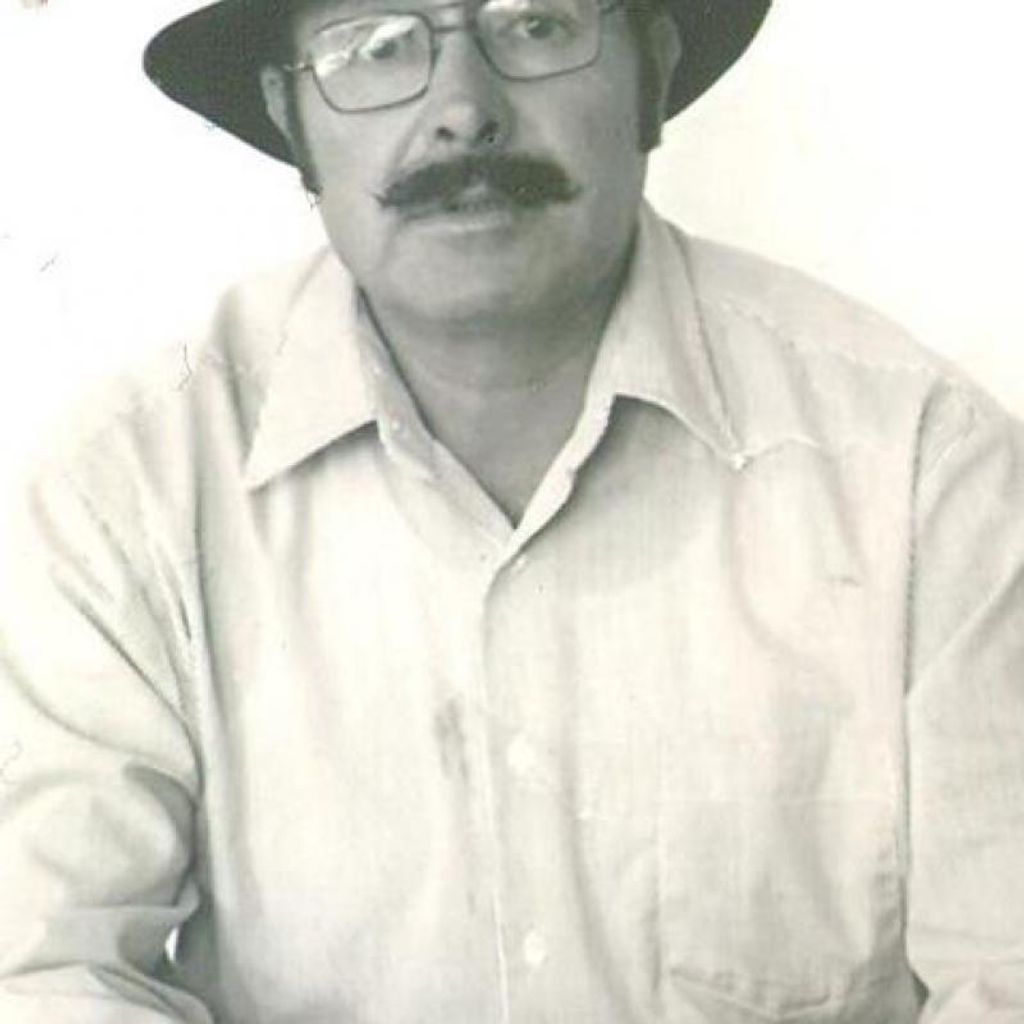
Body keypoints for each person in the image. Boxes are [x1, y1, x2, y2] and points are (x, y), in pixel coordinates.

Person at [1, 0, 1023, 1020]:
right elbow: (47, 972)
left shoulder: (923, 467)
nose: (463, 111)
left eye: (536, 24)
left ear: (652, 72)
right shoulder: (127, 491)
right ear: (289, 117)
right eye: (374, 46)